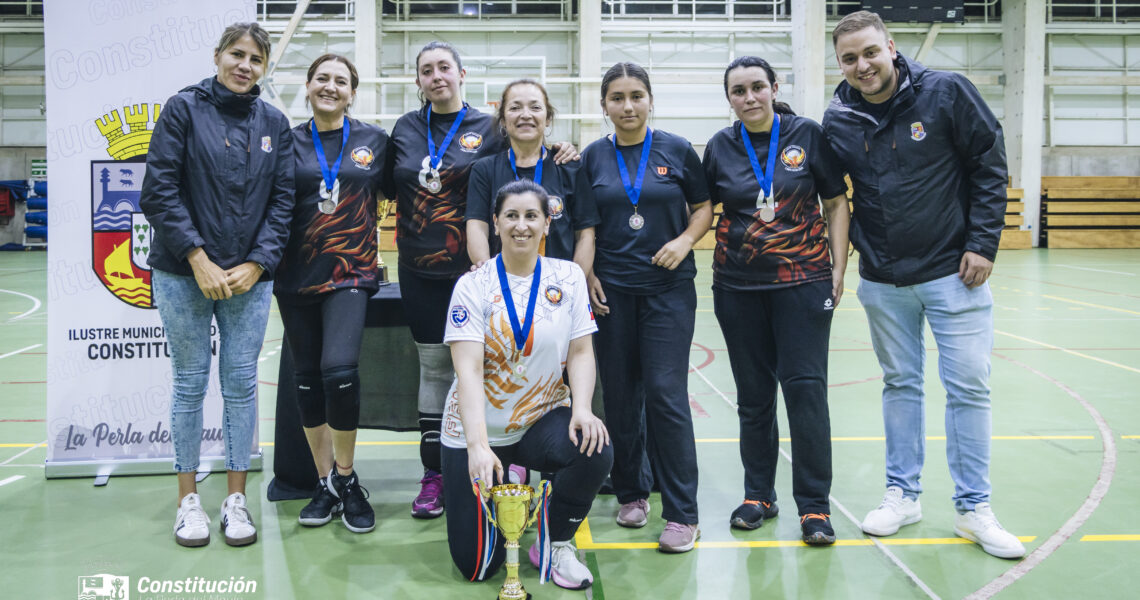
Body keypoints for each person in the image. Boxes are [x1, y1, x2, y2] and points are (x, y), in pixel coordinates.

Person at [823, 10, 1025, 559]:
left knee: (968, 388)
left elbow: (988, 162)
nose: (862, 65)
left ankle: (973, 508)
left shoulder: (947, 93)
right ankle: (903, 495)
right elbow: (824, 184)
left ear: (890, 46)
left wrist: (983, 243)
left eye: (869, 52)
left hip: (954, 275)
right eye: (849, 58)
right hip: (884, 281)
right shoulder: (838, 117)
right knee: (900, 386)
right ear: (838, 64)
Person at [382, 42, 577, 519]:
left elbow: (522, 156)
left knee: (502, 369)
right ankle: (435, 475)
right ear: (418, 81)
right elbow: (388, 187)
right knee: (435, 370)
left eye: (444, 67)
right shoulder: (405, 130)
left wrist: (559, 148)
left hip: (483, 274)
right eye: (426, 70)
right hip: (423, 269)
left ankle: (506, 463)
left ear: (461, 74)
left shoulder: (486, 130)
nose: (436, 76)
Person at [140, 22, 293, 548]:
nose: (244, 65)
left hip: (249, 278)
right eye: (237, 54)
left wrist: (257, 263)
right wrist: (196, 257)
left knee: (240, 385)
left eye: (255, 58)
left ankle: (235, 501)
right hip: (183, 273)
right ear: (218, 55)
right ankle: (188, 501)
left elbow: (282, 204)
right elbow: (158, 190)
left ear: (264, 67)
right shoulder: (182, 109)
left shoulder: (275, 122)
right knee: (189, 382)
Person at [704, 56, 850, 545]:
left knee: (806, 394)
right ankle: (758, 495)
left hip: (803, 283)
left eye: (757, 87)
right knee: (753, 397)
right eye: (738, 91)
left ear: (774, 87)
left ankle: (813, 507)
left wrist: (838, 266)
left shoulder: (806, 135)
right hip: (737, 287)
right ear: (728, 98)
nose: (749, 98)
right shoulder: (720, 146)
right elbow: (702, 207)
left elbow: (835, 201)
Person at [441, 179, 612, 591]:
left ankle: (557, 543)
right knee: (479, 567)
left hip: (540, 419)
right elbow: (468, 372)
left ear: (547, 224)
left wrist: (583, 409)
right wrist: (478, 447)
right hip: (478, 430)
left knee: (594, 448)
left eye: (531, 216)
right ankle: (508, 486)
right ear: (495, 224)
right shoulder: (473, 285)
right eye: (511, 216)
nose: (522, 226)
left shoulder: (568, 276)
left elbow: (582, 353)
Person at [576, 62, 712, 553]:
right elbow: (586, 228)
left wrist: (685, 240)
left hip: (668, 290)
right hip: (611, 294)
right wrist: (587, 276)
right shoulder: (593, 157)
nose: (627, 106)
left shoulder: (676, 150)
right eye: (617, 97)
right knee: (620, 395)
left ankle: (682, 514)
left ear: (650, 100)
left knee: (665, 394)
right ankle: (632, 492)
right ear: (604, 104)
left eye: (636, 96)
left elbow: (703, 206)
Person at [274, 54, 388, 534]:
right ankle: (324, 482)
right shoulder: (285, 142)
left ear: (352, 92)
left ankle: (345, 477)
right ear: (307, 86)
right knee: (306, 381)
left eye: (340, 81)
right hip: (294, 275)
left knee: (339, 372)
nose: (330, 86)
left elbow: (432, 177)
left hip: (351, 274)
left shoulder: (373, 142)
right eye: (322, 78)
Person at [466, 78, 597, 277]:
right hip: (503, 288)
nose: (525, 115)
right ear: (503, 119)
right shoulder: (484, 170)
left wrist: (572, 285)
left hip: (557, 291)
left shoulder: (568, 167)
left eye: (535, 107)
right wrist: (488, 277)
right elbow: (477, 227)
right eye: (515, 108)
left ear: (548, 118)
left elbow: (585, 235)